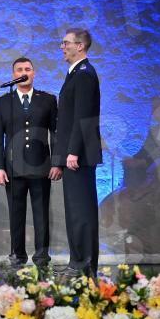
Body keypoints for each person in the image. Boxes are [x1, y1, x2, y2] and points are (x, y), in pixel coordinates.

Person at [0, 57, 61, 269]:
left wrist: (57, 162)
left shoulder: (47, 100)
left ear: (34, 73)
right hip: (13, 168)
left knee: (41, 214)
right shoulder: (3, 102)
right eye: (19, 69)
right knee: (16, 214)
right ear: (13, 75)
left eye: (28, 69)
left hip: (41, 167)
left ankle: (42, 258)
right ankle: (17, 256)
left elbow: (55, 133)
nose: (24, 72)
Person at [52, 29, 102, 277]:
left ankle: (85, 265)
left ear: (80, 46)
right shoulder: (75, 74)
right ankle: (77, 261)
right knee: (74, 211)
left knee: (82, 212)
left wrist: (72, 152)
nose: (62, 47)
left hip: (79, 157)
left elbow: (83, 118)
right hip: (72, 156)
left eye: (66, 43)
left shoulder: (84, 75)